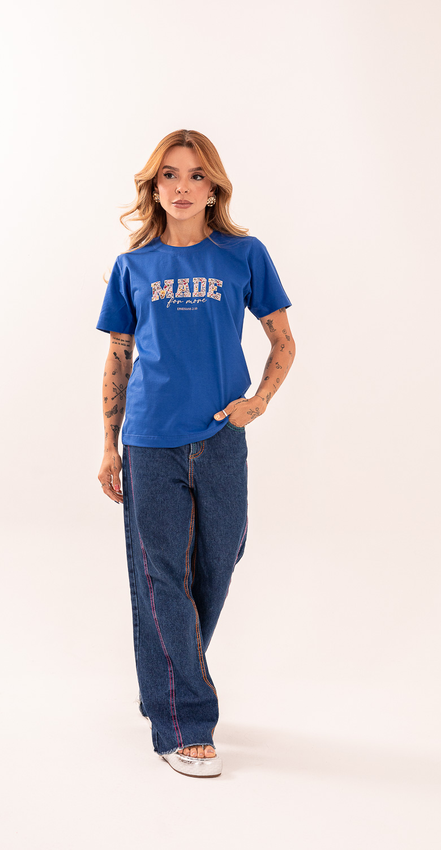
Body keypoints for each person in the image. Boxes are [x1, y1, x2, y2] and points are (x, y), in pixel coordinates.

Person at [96, 129, 295, 777]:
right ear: (154, 188)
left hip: (219, 437)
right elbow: (118, 355)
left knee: (220, 558)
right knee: (162, 577)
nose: (182, 187)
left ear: (214, 189)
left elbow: (284, 340)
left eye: (196, 175)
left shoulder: (244, 254)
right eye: (170, 176)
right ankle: (184, 722)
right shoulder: (133, 266)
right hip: (149, 440)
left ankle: (166, 675)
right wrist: (108, 446)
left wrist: (258, 401)